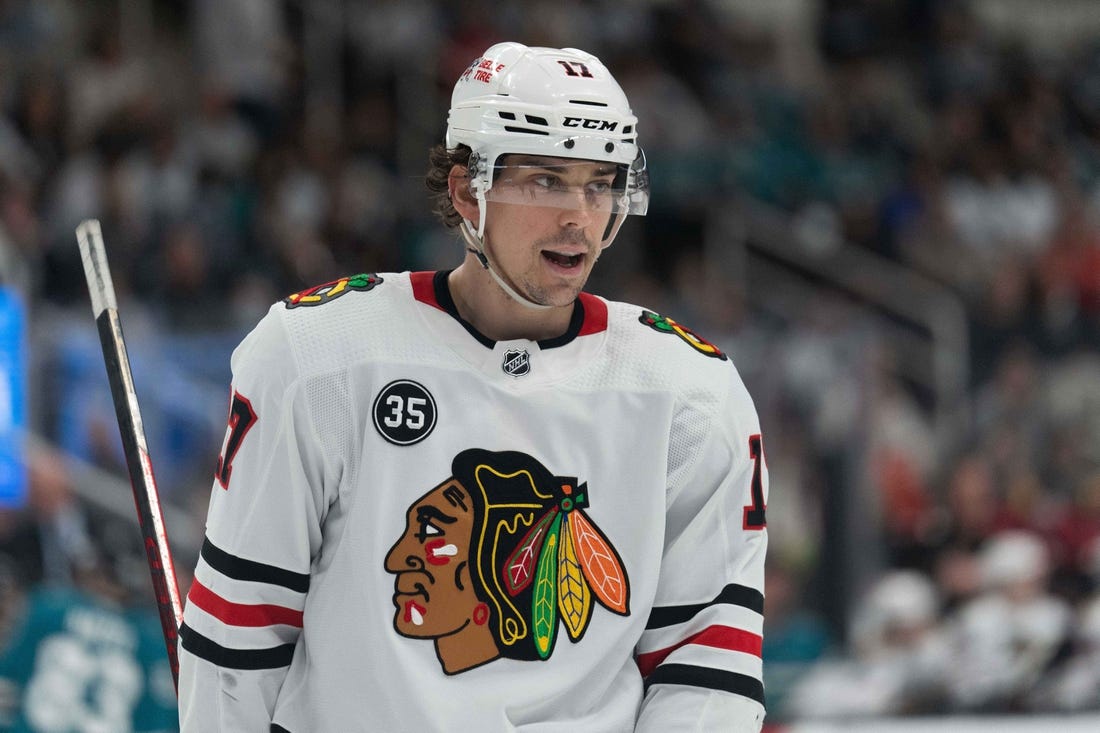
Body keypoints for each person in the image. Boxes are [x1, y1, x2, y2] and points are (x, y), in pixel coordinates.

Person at [177, 42, 768, 732]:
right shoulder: (314, 357)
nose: (579, 215)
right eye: (546, 181)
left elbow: (705, 666)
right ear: (466, 190)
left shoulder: (691, 395)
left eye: (599, 182)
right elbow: (239, 634)